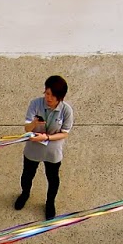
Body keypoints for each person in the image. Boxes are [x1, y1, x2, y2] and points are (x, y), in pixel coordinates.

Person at [14, 75, 72, 221]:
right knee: (27, 175)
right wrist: (34, 123)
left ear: (60, 97)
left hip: (52, 152)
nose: (48, 98)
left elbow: (64, 133)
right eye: (46, 93)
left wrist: (46, 137)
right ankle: (25, 194)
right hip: (33, 149)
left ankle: (50, 203)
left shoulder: (66, 110)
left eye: (52, 95)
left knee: (52, 179)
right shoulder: (35, 104)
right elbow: (27, 128)